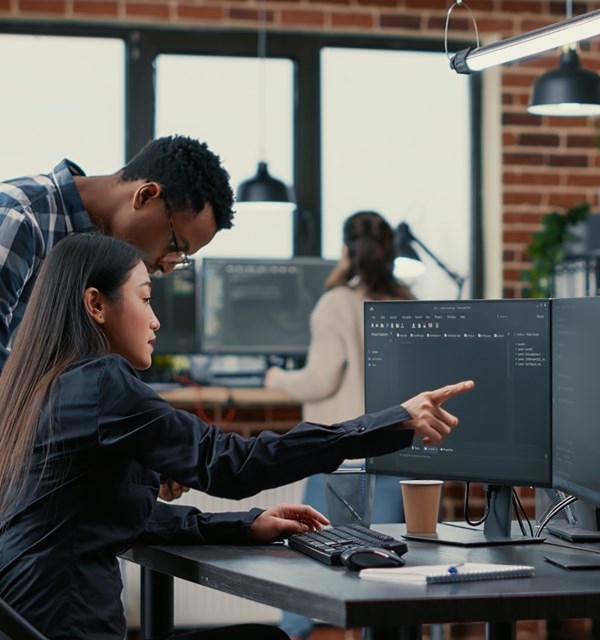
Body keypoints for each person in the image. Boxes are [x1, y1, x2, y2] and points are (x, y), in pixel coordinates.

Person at [0, 233, 474, 640]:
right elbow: (231, 462)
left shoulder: (36, 387)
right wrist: (394, 420)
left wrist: (245, 525)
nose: (156, 319)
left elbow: (106, 515)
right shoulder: (102, 382)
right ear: (96, 305)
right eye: (145, 299)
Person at [263, 210, 413, 640]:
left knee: (305, 552)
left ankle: (292, 634)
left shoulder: (336, 303)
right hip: (396, 448)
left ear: (347, 250)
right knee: (388, 566)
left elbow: (321, 378)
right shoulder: (408, 303)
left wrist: (277, 378)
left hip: (342, 451)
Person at [0, 134, 235, 374]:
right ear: (145, 196)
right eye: (174, 245)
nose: (167, 268)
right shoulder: (18, 216)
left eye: (181, 259)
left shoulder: (101, 264)